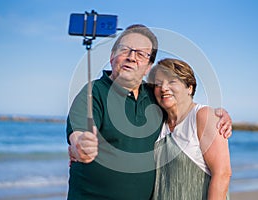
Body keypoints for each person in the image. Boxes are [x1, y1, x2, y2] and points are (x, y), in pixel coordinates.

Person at [66, 24, 232, 199]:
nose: (131, 57)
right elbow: (78, 134)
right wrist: (80, 146)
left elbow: (184, 109)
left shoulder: (154, 96)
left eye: (140, 54)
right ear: (112, 56)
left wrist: (220, 116)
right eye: (125, 50)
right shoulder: (93, 93)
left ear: (148, 67)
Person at [147, 58, 231, 200]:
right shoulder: (159, 122)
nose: (163, 88)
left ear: (189, 88)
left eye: (172, 81)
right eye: (158, 83)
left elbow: (222, 174)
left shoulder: (203, 116)